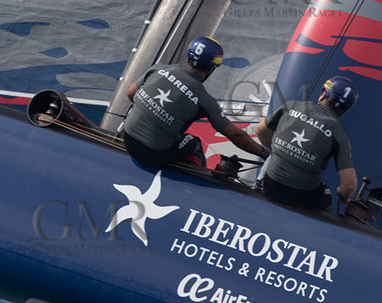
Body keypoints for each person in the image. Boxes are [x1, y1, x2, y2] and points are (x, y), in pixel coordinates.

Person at [120, 36, 265, 168]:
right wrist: (264, 154)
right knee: (194, 143)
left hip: (127, 139)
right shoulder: (205, 101)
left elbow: (130, 93)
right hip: (153, 154)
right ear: (212, 68)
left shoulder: (158, 68)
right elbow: (235, 134)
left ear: (188, 57)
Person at [252, 75, 359, 211]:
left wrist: (279, 150)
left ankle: (257, 185)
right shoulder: (340, 136)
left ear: (323, 94)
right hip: (301, 197)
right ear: (346, 109)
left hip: (271, 185)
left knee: (273, 157)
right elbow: (349, 185)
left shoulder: (291, 105)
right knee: (326, 194)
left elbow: (260, 130)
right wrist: (344, 195)